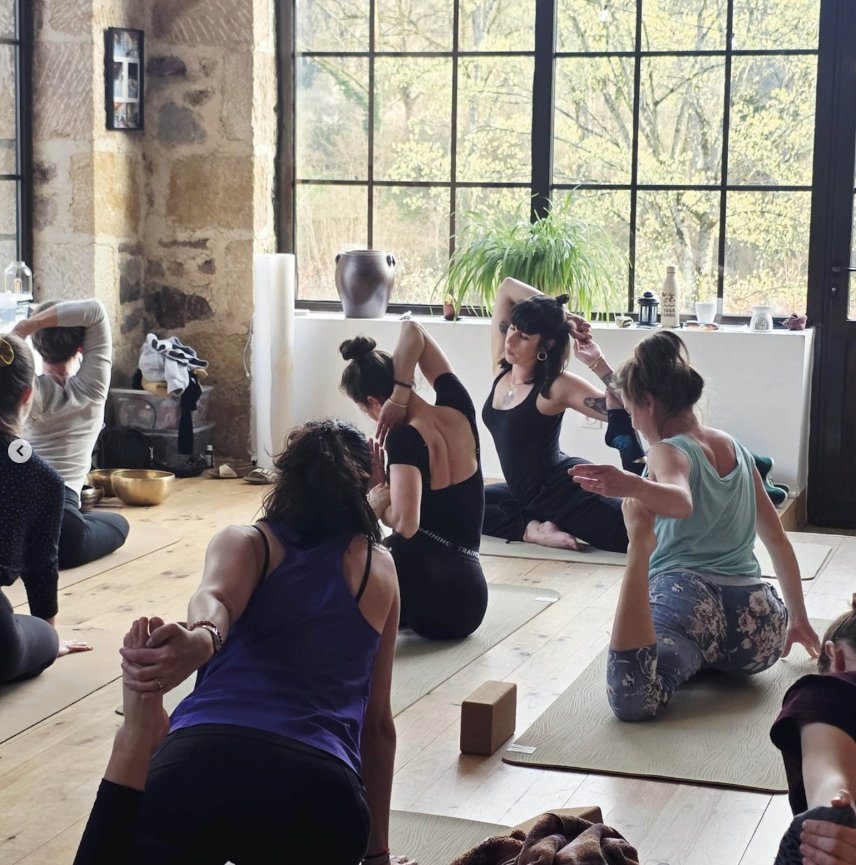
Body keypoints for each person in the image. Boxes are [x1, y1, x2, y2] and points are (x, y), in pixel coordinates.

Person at [113, 420, 405, 865]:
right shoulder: (377, 567)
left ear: (283, 480)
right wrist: (377, 854)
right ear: (366, 485)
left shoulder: (247, 541)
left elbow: (215, 598)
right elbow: (377, 726)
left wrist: (203, 637)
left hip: (196, 765)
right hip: (320, 795)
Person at [571, 332, 819, 720]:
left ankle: (695, 653)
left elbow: (680, 501)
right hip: (759, 629)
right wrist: (798, 619)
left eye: (632, 410)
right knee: (699, 642)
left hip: (690, 608)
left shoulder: (667, 450)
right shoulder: (735, 448)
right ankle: (703, 655)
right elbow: (776, 540)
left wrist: (631, 485)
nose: (632, 421)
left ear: (648, 403)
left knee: (633, 695)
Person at [340, 321, 487, 640]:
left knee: (355, 553)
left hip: (433, 598)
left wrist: (378, 494)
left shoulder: (404, 439)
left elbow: (407, 524)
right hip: (473, 597)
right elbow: (414, 330)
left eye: (367, 411)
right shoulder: (458, 403)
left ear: (374, 403)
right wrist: (401, 392)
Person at [482, 277, 643, 553]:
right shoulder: (502, 369)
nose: (510, 339)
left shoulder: (555, 387)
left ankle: (533, 525)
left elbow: (631, 408)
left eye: (524, 337)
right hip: (523, 494)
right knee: (453, 503)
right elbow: (507, 286)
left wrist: (597, 362)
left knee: (639, 535)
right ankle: (531, 530)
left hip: (564, 495)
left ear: (545, 346)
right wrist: (564, 316)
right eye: (512, 328)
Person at [0, 334, 91, 685]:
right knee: (37, 638)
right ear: (27, 395)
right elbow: (40, 565)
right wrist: (49, 639)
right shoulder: (39, 476)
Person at [12, 299, 129, 569]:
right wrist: (29, 325)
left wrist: (19, 333)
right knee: (119, 524)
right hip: (60, 519)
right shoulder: (94, 389)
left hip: (12, 505)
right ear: (81, 348)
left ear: (36, 346)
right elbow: (95, 311)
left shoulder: (26, 393)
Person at [770, 599, 856, 865]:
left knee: (828, 822)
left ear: (835, 655)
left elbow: (828, 776)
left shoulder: (825, 692)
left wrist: (832, 814)